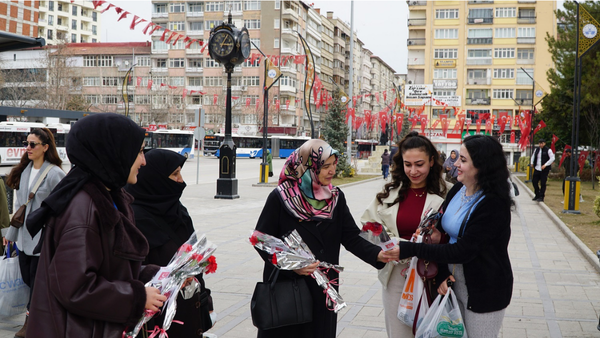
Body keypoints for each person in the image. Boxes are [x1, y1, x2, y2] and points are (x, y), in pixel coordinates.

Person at [24, 113, 167, 338]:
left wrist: (156, 276)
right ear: (113, 152)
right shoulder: (84, 207)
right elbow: (76, 288)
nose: (144, 161)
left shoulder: (109, 197)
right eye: (138, 151)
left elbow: (109, 269)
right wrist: (137, 297)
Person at [254, 139, 399, 338]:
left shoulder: (335, 198)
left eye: (334, 164)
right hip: (287, 290)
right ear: (308, 166)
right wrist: (292, 265)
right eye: (325, 166)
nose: (332, 171)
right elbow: (261, 240)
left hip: (324, 290)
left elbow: (350, 236)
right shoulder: (281, 197)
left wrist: (378, 254)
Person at [397, 135, 514, 337]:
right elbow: (443, 232)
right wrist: (441, 269)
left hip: (484, 288)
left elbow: (463, 250)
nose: (456, 164)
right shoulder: (459, 189)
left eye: (463, 160)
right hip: (452, 281)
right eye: (458, 158)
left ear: (482, 166)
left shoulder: (494, 204)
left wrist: (408, 248)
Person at [361, 131, 449, 337]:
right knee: (399, 332)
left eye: (419, 164)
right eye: (407, 165)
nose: (413, 171)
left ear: (432, 161)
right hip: (397, 276)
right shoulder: (389, 194)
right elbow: (368, 227)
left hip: (435, 274)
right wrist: (388, 245)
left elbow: (455, 237)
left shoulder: (447, 194)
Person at [125, 149, 214, 337]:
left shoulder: (178, 211)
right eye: (175, 174)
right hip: (157, 321)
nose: (181, 180)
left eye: (180, 172)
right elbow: (131, 271)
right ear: (155, 178)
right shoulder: (133, 218)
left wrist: (206, 301)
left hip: (190, 314)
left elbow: (194, 262)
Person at [4, 128, 66, 338]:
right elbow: (20, 207)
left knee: (37, 283)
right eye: (26, 143)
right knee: (28, 280)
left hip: (43, 239)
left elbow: (63, 207)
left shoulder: (55, 173)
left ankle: (31, 323)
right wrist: (10, 235)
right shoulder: (24, 170)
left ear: (45, 147)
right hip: (23, 239)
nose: (28, 148)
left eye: (33, 144)